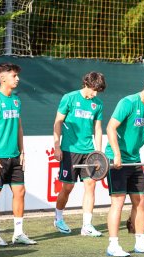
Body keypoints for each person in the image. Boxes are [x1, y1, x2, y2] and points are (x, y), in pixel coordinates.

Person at [104, 76, 144, 257]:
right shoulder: (127, 103)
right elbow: (110, 128)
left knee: (140, 201)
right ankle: (113, 245)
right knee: (117, 202)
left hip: (135, 160)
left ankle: (140, 242)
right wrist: (117, 154)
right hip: (116, 161)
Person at [0, 62, 36, 246]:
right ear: (3, 77)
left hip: (15, 156)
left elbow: (19, 127)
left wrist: (22, 151)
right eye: (14, 75)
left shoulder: (16, 100)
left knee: (20, 191)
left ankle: (18, 233)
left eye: (17, 75)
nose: (18, 79)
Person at [52, 72, 106, 237]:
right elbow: (58, 122)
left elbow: (97, 129)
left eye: (98, 91)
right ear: (86, 84)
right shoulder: (69, 98)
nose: (95, 94)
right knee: (67, 187)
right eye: (93, 90)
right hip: (69, 150)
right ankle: (58, 218)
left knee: (91, 185)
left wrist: (98, 153)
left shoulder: (98, 104)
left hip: (89, 152)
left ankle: (87, 225)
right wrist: (56, 146)